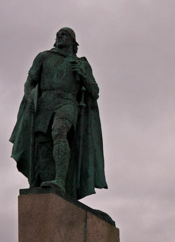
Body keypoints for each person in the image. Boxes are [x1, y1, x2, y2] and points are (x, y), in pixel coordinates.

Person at [10, 27, 107, 199]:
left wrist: (83, 75)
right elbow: (30, 81)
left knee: (59, 131)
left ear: (73, 41)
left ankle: (60, 181)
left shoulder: (81, 63)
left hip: (68, 102)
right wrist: (29, 96)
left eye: (64, 34)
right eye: (58, 35)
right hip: (45, 103)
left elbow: (95, 91)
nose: (59, 37)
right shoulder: (44, 57)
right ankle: (48, 181)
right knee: (43, 144)